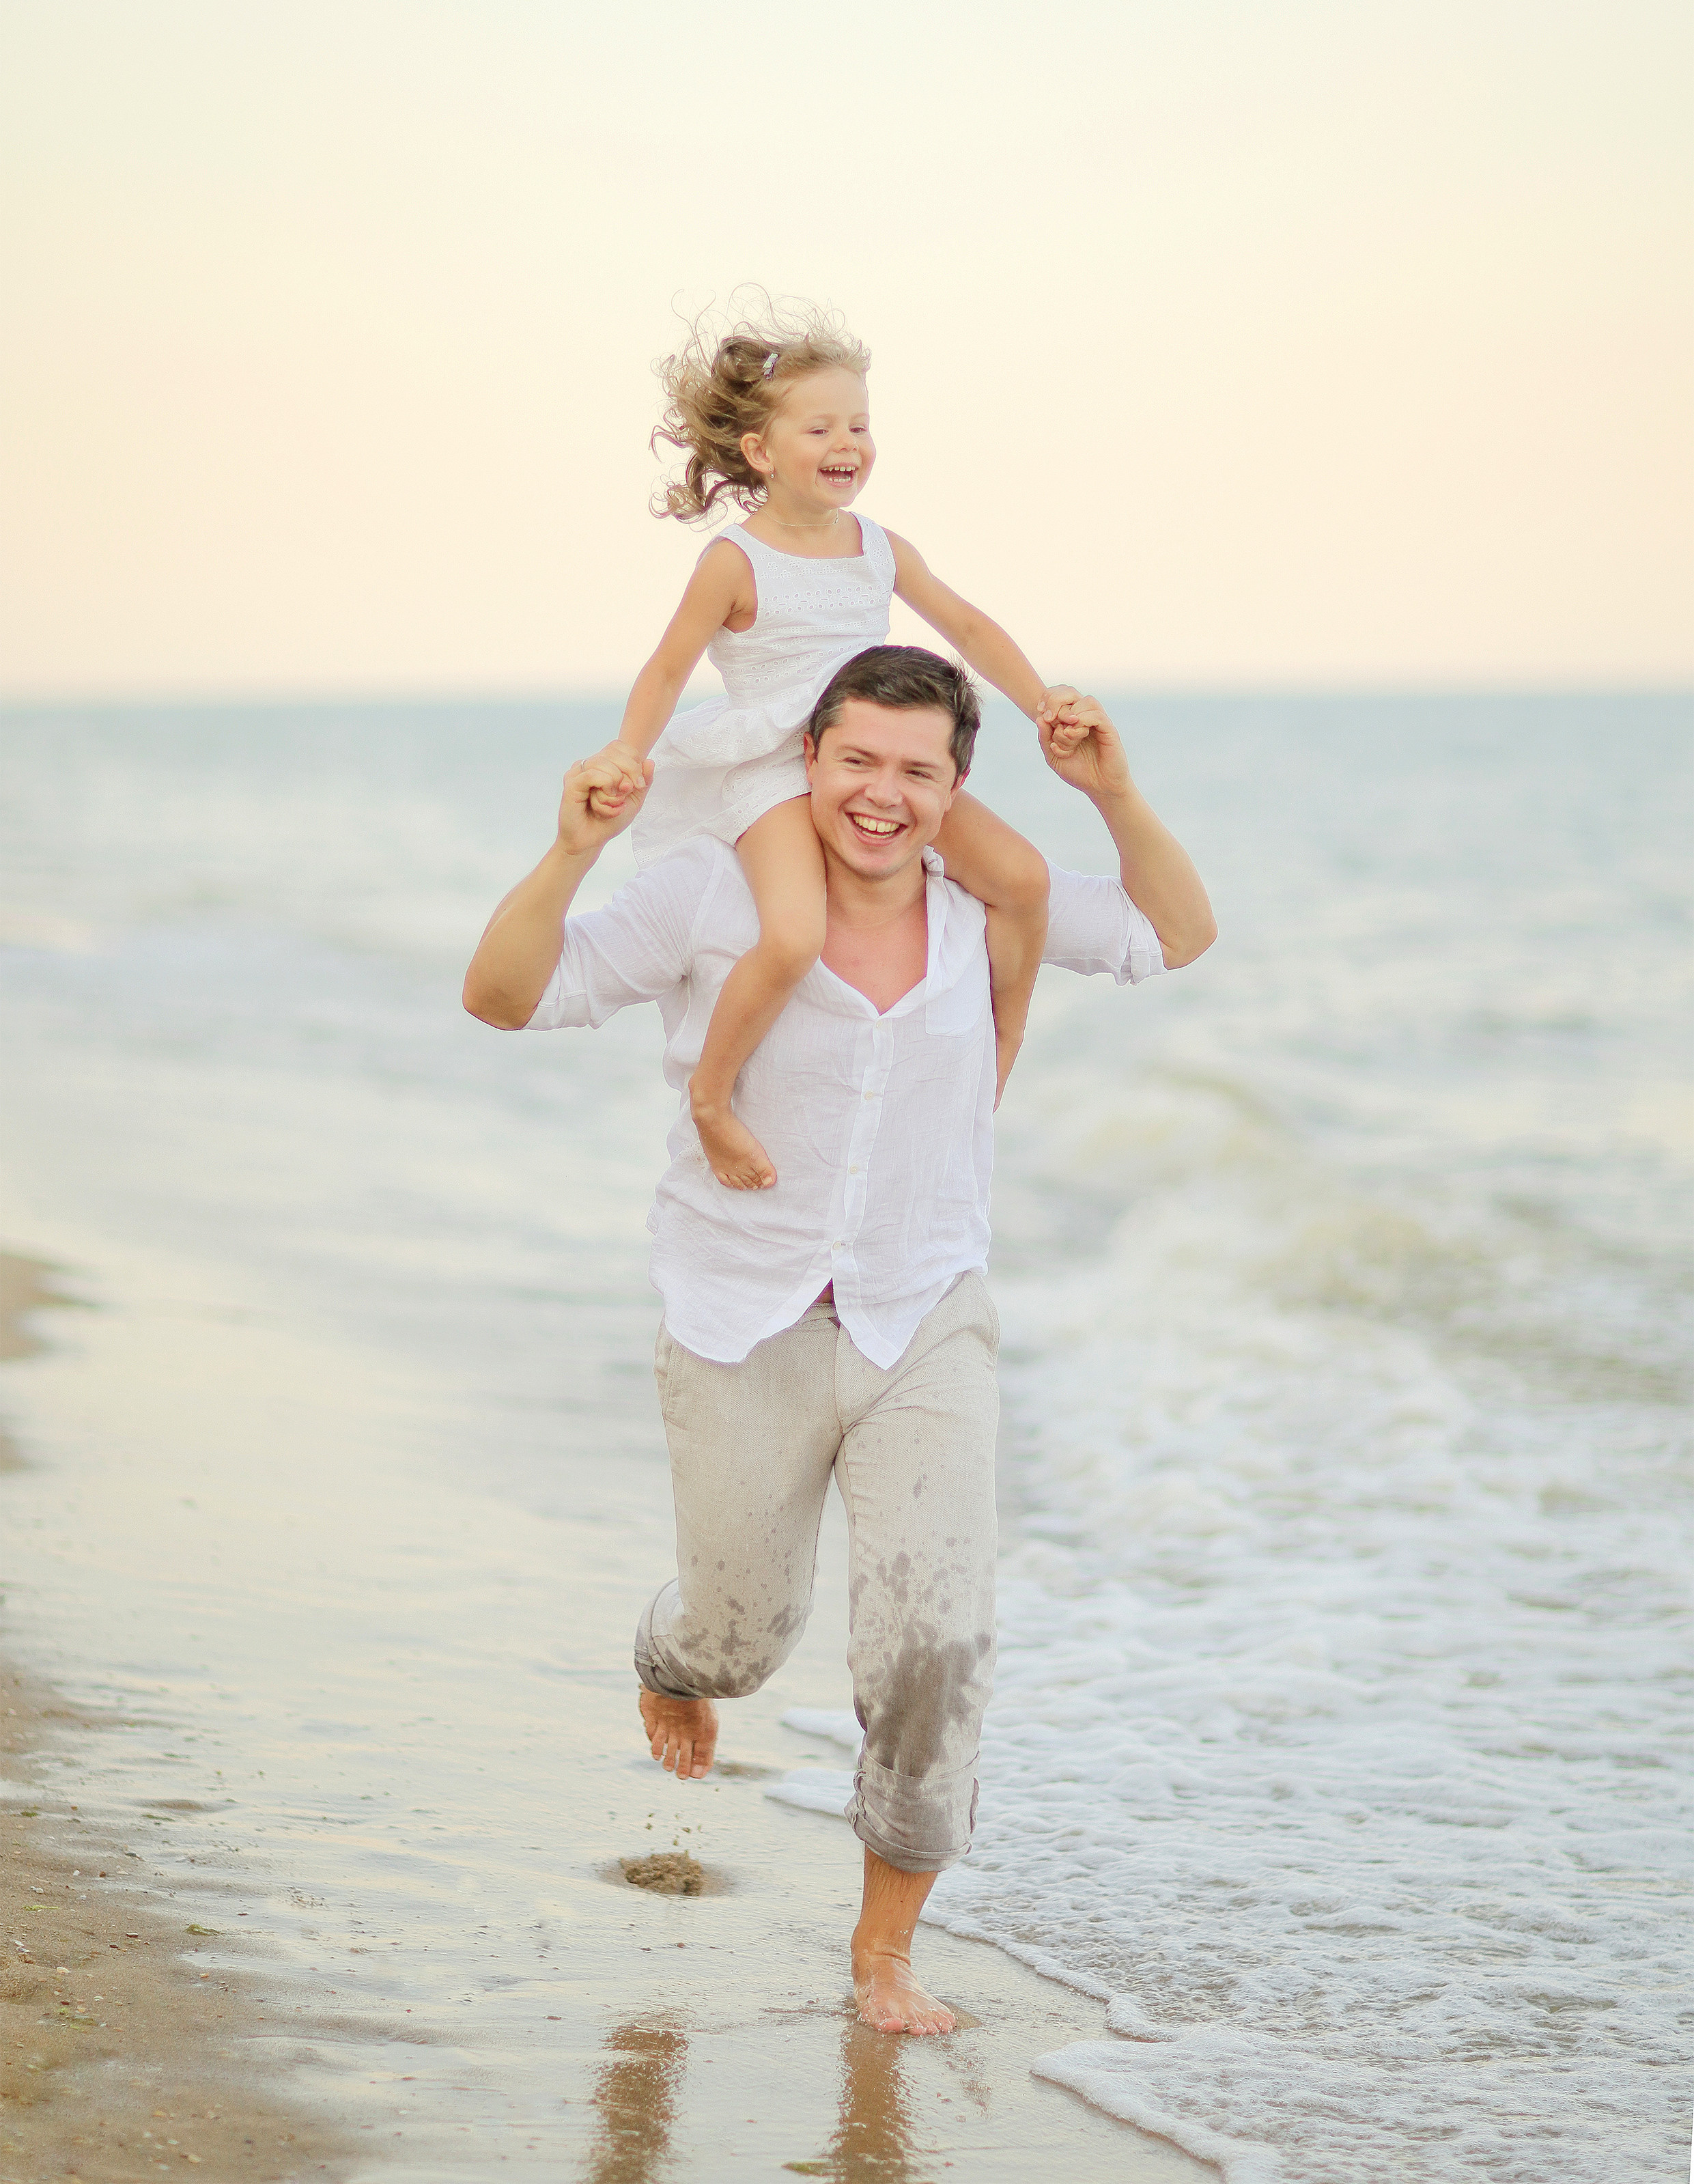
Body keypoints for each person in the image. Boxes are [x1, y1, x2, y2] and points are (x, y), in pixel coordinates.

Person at [462, 645, 1215, 2034]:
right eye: (856, 759)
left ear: (955, 787)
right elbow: (505, 996)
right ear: (807, 757)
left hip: (924, 1311)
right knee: (739, 1636)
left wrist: (1112, 794)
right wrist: (571, 852)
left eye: (917, 771)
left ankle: (881, 1951)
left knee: (935, 1643)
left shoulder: (986, 902)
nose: (882, 794)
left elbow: (1172, 933)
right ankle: (674, 1656)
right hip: (740, 1316)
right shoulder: (712, 893)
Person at [582, 300, 1080, 1194]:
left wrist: (1043, 703)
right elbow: (666, 669)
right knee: (792, 935)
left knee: (1024, 877)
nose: (847, 442)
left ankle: (993, 1061)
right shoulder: (735, 561)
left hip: (867, 761)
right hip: (775, 769)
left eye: (859, 424)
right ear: (761, 451)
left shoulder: (879, 548)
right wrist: (627, 752)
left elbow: (966, 625)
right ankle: (711, 1097)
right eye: (820, 428)